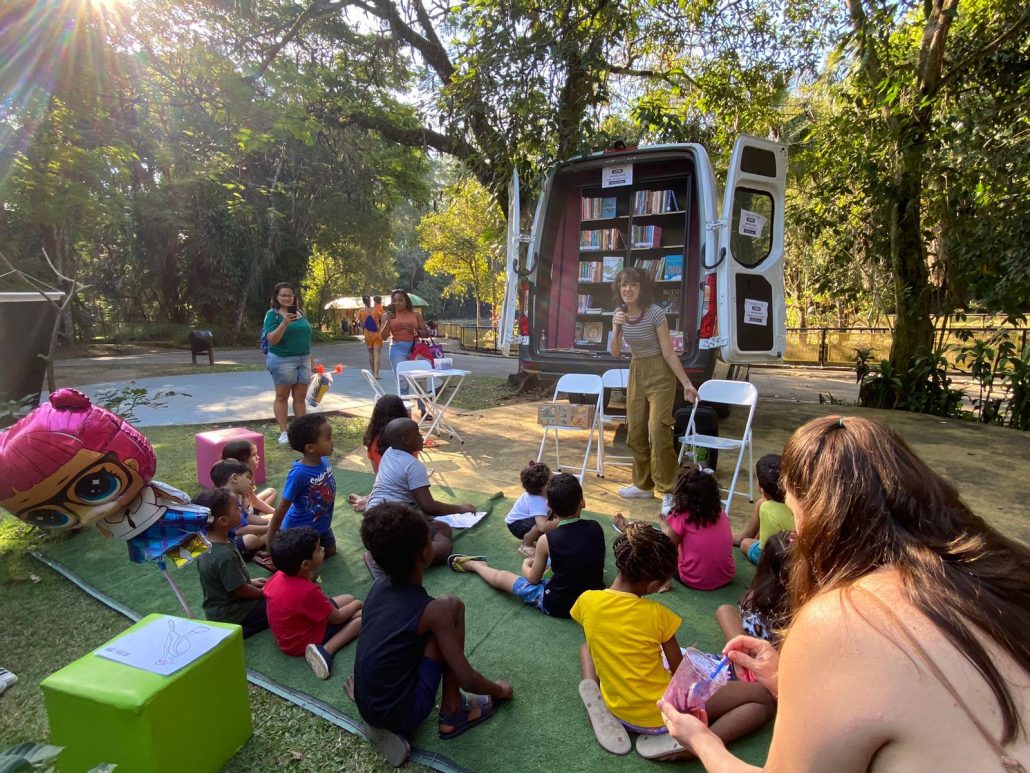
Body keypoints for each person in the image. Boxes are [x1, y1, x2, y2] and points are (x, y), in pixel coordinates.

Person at [657, 416, 1030, 772]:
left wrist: (702, 740)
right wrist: (782, 678)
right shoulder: (1000, 575)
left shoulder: (840, 617)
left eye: (794, 515)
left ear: (820, 517)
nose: (795, 536)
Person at [573, 522, 773, 759]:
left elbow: (604, 638)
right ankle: (697, 744)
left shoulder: (586, 601)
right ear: (654, 585)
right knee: (762, 699)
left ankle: (593, 690)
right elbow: (681, 674)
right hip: (664, 713)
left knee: (587, 647)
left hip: (616, 705)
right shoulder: (658, 616)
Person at [352, 503, 513, 766]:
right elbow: (468, 679)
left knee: (439, 614)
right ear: (425, 553)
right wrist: (500, 690)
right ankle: (452, 713)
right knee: (450, 608)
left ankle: (379, 723)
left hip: (367, 703)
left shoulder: (378, 586)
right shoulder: (433, 611)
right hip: (402, 714)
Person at [447, 473, 605, 619]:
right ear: (583, 502)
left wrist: (526, 564)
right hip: (592, 601)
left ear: (549, 506)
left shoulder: (546, 540)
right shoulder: (596, 527)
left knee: (503, 577)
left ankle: (477, 566)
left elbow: (533, 579)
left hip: (559, 605)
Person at [608, 267, 700, 514]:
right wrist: (615, 328)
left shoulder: (655, 313)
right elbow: (615, 353)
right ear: (619, 288)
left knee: (658, 430)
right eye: (623, 285)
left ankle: (669, 490)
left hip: (660, 371)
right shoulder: (619, 314)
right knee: (635, 430)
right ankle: (643, 485)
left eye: (633, 285)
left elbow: (669, 352)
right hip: (636, 369)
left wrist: (687, 383)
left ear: (642, 288)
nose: (628, 289)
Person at [362, 418, 461, 573]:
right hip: (392, 523)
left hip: (373, 518)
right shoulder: (413, 465)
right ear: (406, 440)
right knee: (444, 547)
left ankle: (385, 551)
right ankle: (382, 560)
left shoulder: (389, 453)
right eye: (418, 434)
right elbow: (428, 506)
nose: (422, 437)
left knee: (444, 529)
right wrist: (461, 509)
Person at [263, 527, 363, 679]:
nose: (322, 549)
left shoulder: (279, 575)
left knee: (347, 598)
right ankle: (326, 650)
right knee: (362, 617)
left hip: (288, 633)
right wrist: (358, 604)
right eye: (318, 549)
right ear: (305, 565)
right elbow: (338, 618)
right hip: (302, 641)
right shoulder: (307, 591)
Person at [192, 488, 269, 637]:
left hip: (218, 610)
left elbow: (223, 582)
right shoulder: (224, 555)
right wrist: (265, 593)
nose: (241, 510)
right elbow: (241, 591)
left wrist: (249, 581)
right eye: (237, 508)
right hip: (234, 613)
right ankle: (239, 630)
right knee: (280, 604)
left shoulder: (207, 544)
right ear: (223, 521)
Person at [264, 415, 338, 558]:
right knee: (305, 567)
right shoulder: (299, 474)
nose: (332, 441)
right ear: (310, 448)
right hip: (300, 531)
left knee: (330, 551)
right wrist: (270, 539)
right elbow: (282, 507)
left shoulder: (323, 460)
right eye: (328, 438)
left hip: (322, 525)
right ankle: (279, 547)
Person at [657, 465, 734, 590]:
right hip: (726, 576)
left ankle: (663, 526)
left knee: (662, 544)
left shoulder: (682, 516)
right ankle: (664, 526)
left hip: (693, 579)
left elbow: (669, 548)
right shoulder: (720, 512)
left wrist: (665, 580)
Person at [716, 530, 793, 646]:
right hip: (758, 654)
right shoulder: (805, 610)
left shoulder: (756, 597)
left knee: (725, 610)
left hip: (753, 656)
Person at [263, 282, 314, 445]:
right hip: (282, 360)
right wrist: (284, 323)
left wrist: (311, 359)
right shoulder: (273, 315)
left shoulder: (300, 313)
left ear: (294, 297)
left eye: (290, 295)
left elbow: (305, 337)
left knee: (300, 398)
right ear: (276, 297)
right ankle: (284, 432)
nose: (287, 298)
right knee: (282, 396)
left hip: (303, 359)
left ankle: (301, 431)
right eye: (283, 295)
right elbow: (272, 339)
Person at [347, 395, 412, 513]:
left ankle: (372, 500)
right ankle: (372, 501)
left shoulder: (372, 440)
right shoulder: (407, 441)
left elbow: (379, 476)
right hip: (404, 495)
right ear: (402, 413)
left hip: (384, 490)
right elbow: (409, 478)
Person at [734, 455, 795, 564]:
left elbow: (766, 549)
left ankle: (743, 538)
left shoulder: (766, 508)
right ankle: (744, 536)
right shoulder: (797, 499)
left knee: (745, 543)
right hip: (798, 552)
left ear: (761, 488)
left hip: (782, 561)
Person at [379, 289, 430, 413]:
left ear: (406, 301)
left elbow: (426, 333)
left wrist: (416, 331)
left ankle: (423, 409)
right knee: (402, 381)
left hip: (415, 348)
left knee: (420, 378)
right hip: (397, 349)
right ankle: (406, 412)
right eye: (395, 300)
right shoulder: (386, 315)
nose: (397, 303)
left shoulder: (415, 315)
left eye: (400, 300)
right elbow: (383, 336)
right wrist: (388, 321)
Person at [210, 459, 269, 557]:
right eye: (248, 477)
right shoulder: (225, 501)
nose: (250, 482)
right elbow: (241, 530)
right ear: (235, 478)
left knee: (268, 523)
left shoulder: (232, 496)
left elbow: (246, 517)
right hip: (221, 544)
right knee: (251, 539)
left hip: (232, 536)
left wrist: (268, 521)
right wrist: (270, 528)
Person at [504, 460, 556, 558]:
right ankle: (526, 544)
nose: (555, 481)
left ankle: (546, 537)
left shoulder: (542, 493)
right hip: (516, 524)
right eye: (552, 480)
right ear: (544, 487)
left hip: (525, 519)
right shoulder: (537, 501)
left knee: (552, 510)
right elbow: (542, 527)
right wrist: (559, 522)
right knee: (539, 527)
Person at [221, 438, 277, 516]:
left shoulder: (243, 476)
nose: (258, 457)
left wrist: (275, 513)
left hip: (249, 507)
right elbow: (253, 504)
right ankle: (261, 516)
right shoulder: (238, 484)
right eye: (253, 455)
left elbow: (254, 500)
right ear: (241, 460)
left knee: (271, 491)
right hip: (246, 517)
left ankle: (261, 514)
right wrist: (277, 514)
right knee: (272, 518)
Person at [358, 294, 384, 379]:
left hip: (367, 334)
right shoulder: (376, 310)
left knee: (371, 353)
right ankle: (377, 374)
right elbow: (383, 319)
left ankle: (372, 372)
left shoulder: (360, 312)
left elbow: (361, 325)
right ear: (370, 301)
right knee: (377, 353)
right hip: (377, 334)